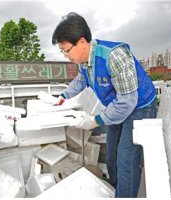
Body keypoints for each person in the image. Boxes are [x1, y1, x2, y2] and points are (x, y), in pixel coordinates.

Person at [51, 12, 157, 197]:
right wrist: (63, 96)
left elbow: (127, 102)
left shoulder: (114, 56)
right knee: (111, 154)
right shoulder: (84, 61)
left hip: (140, 106)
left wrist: (95, 120)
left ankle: (125, 194)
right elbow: (81, 80)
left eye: (66, 50)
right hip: (117, 105)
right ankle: (115, 187)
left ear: (82, 42)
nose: (65, 55)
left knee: (126, 158)